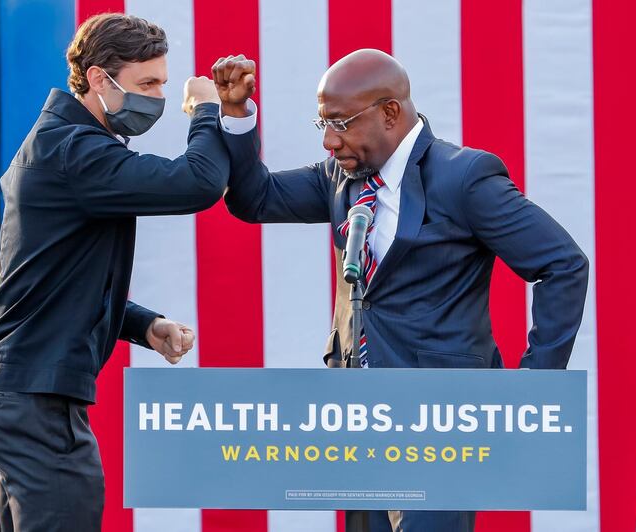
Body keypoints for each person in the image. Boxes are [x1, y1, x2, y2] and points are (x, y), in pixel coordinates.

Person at [212, 49, 589, 532]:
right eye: (322, 123)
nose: (329, 140)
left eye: (341, 123)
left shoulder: (464, 177)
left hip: (443, 422)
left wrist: (533, 390)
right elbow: (255, 199)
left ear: (389, 113)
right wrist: (237, 116)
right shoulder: (341, 176)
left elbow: (562, 265)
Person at [0, 13, 226, 531]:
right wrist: (208, 113)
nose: (157, 97)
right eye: (146, 83)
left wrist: (142, 325)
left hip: (20, 393)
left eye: (163, 84)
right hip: (34, 399)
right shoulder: (74, 151)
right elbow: (198, 183)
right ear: (98, 79)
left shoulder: (65, 146)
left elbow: (57, 279)